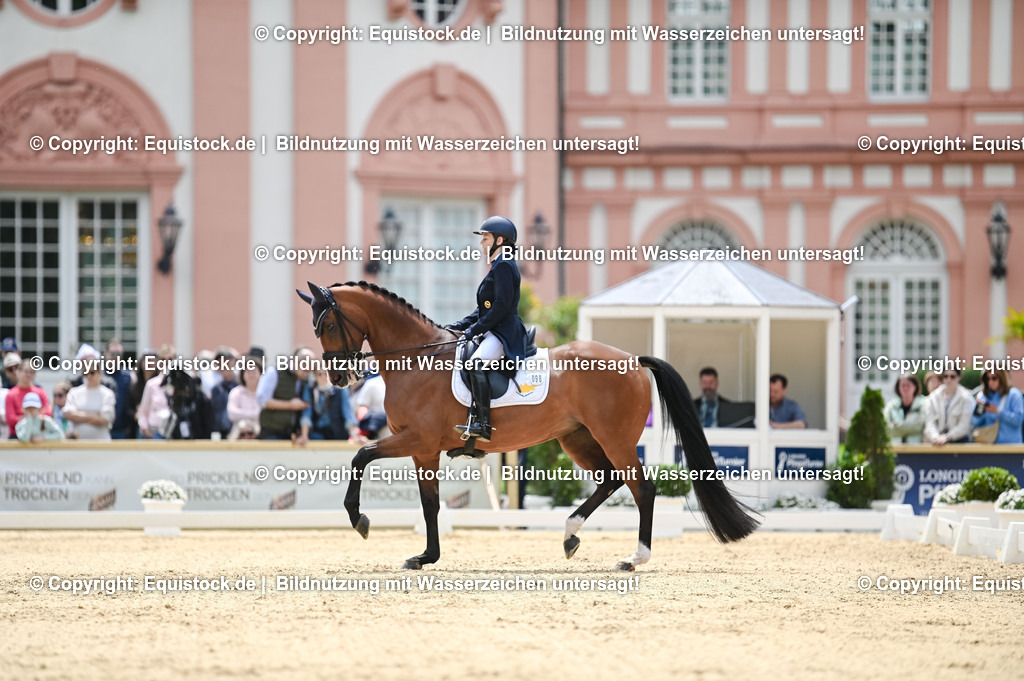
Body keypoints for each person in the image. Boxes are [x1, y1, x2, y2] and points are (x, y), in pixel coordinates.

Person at [445, 215, 529, 442]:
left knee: (475, 364)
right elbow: (484, 309)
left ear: (499, 240)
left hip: (504, 333)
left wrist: (474, 331)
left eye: (486, 238)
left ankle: (483, 423)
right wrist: (459, 326)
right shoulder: (498, 265)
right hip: (495, 328)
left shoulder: (504, 265)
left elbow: (500, 308)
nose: (482, 243)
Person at [256, 347, 310, 440]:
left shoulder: (305, 380)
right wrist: (289, 405)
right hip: (271, 433)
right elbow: (262, 400)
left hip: (292, 435)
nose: (307, 373)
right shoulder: (273, 372)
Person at [63, 361, 117, 441]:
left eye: (92, 372)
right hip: (78, 444)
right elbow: (68, 415)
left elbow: (104, 420)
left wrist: (78, 417)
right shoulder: (74, 392)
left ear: (99, 373)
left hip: (101, 444)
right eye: (85, 373)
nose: (88, 376)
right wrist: (94, 415)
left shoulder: (107, 394)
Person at [972, 369, 1024, 444]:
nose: (990, 382)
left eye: (994, 378)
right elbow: (975, 423)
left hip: (1011, 447)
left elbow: (1019, 420)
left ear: (1002, 378)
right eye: (987, 379)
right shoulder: (983, 396)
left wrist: (998, 412)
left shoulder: (1014, 395)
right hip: (988, 446)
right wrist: (980, 411)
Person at [923, 369, 974, 445]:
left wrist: (947, 437)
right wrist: (936, 437)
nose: (949, 379)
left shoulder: (966, 397)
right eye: (945, 376)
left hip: (960, 443)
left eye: (952, 376)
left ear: (959, 377)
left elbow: (965, 426)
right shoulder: (933, 397)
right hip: (937, 444)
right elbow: (930, 423)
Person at [137, 344, 176, 438]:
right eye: (163, 360)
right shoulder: (152, 384)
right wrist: (145, 428)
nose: (167, 362)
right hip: (155, 433)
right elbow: (143, 412)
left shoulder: (181, 385)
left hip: (175, 432)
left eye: (170, 359)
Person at [5, 358, 51, 437]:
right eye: (26, 371)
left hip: (37, 436)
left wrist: (24, 416)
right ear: (18, 372)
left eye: (32, 372)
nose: (28, 374)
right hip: (17, 436)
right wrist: (35, 416)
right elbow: (11, 419)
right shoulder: (11, 394)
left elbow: (48, 413)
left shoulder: (40, 392)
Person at [103, 339, 133, 439]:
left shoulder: (127, 376)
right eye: (113, 354)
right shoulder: (98, 375)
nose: (116, 357)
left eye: (119, 354)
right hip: (101, 428)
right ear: (106, 354)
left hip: (121, 429)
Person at [883, 374, 926, 444]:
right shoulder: (891, 406)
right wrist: (912, 427)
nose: (905, 388)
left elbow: (921, 427)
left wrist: (896, 426)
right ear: (898, 388)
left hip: (917, 449)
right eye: (903, 385)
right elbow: (886, 427)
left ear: (915, 387)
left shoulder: (924, 404)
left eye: (908, 385)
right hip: (895, 449)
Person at [210, 348, 240, 439]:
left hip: (240, 432)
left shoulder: (241, 386)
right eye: (219, 364)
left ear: (233, 363)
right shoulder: (216, 389)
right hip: (222, 433)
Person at [227, 356, 262, 435]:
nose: (251, 374)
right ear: (242, 374)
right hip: (239, 435)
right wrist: (254, 413)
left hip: (260, 435)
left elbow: (264, 415)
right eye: (248, 372)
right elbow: (232, 414)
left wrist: (242, 413)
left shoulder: (264, 393)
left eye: (254, 372)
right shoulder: (235, 392)